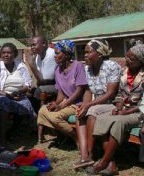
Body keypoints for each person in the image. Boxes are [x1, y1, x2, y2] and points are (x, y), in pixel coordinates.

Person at [86, 44, 144, 175]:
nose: (126, 59)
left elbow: (142, 105)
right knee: (101, 119)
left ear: (140, 61)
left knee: (117, 122)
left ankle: (104, 162)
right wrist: (118, 106)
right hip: (123, 109)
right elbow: (118, 94)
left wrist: (125, 112)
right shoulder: (125, 72)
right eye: (126, 56)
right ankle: (111, 164)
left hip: (138, 113)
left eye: (131, 58)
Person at [73, 39, 121, 169]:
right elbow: (88, 90)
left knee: (92, 113)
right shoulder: (87, 69)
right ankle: (84, 155)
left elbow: (111, 93)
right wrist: (84, 104)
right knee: (80, 113)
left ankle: (90, 153)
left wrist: (89, 105)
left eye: (89, 52)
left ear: (99, 53)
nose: (85, 55)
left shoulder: (111, 66)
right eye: (85, 52)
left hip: (112, 103)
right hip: (97, 103)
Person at [37, 40, 87, 145]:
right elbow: (60, 92)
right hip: (66, 102)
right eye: (54, 53)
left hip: (77, 104)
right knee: (42, 110)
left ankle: (76, 138)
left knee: (55, 117)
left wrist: (64, 104)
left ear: (66, 54)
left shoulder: (78, 66)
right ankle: (62, 135)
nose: (55, 56)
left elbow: (79, 90)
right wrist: (56, 103)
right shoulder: (57, 70)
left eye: (57, 53)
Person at [0, 42, 35, 151]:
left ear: (14, 54)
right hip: (1, 96)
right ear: (0, 55)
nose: (6, 55)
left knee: (26, 106)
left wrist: (20, 92)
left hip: (19, 96)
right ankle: (2, 139)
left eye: (9, 53)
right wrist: (8, 95)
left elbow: (28, 83)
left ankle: (12, 132)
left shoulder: (21, 66)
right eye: (3, 53)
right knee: (4, 105)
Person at [25, 36, 57, 110]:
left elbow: (43, 80)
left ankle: (41, 114)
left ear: (44, 44)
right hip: (45, 84)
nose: (32, 47)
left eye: (34, 44)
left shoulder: (52, 54)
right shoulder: (38, 57)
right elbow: (40, 79)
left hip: (57, 86)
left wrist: (31, 64)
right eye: (31, 45)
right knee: (28, 93)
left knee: (37, 91)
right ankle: (36, 115)